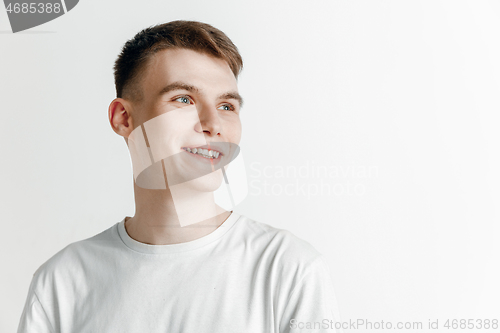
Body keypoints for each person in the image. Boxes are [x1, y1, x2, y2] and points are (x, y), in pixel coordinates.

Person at [17, 20, 340, 333]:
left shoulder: (287, 268)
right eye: (183, 99)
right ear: (124, 118)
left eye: (227, 106)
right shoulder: (62, 281)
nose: (213, 123)